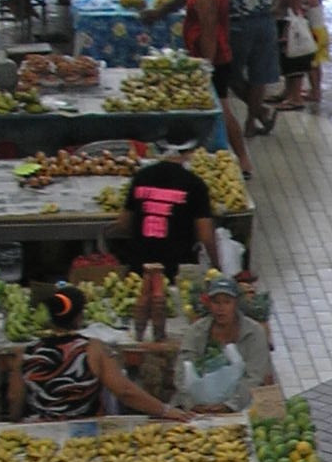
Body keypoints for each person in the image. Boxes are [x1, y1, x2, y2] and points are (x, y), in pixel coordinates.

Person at [18, 283, 189, 423]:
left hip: (42, 429)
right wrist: (165, 410)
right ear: (79, 317)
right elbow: (124, 391)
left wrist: (15, 420)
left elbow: (14, 397)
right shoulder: (92, 349)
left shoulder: (26, 352)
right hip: (85, 431)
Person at [216, 0, 287, 161]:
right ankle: (253, 119)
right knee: (260, 75)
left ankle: (259, 115)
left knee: (233, 75)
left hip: (236, 25)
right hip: (264, 22)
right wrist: (283, 6)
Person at [174, 271, 273, 410]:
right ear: (209, 304)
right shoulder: (196, 331)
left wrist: (229, 406)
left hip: (242, 405)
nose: (221, 308)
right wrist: (192, 404)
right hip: (195, 406)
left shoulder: (254, 332)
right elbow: (183, 369)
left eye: (227, 302)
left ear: (236, 303)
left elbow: (254, 377)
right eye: (216, 302)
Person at [109, 145, 217, 272]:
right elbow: (205, 236)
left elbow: (124, 224)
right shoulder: (195, 184)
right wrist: (216, 265)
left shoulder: (141, 176)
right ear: (189, 151)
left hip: (140, 268)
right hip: (178, 269)